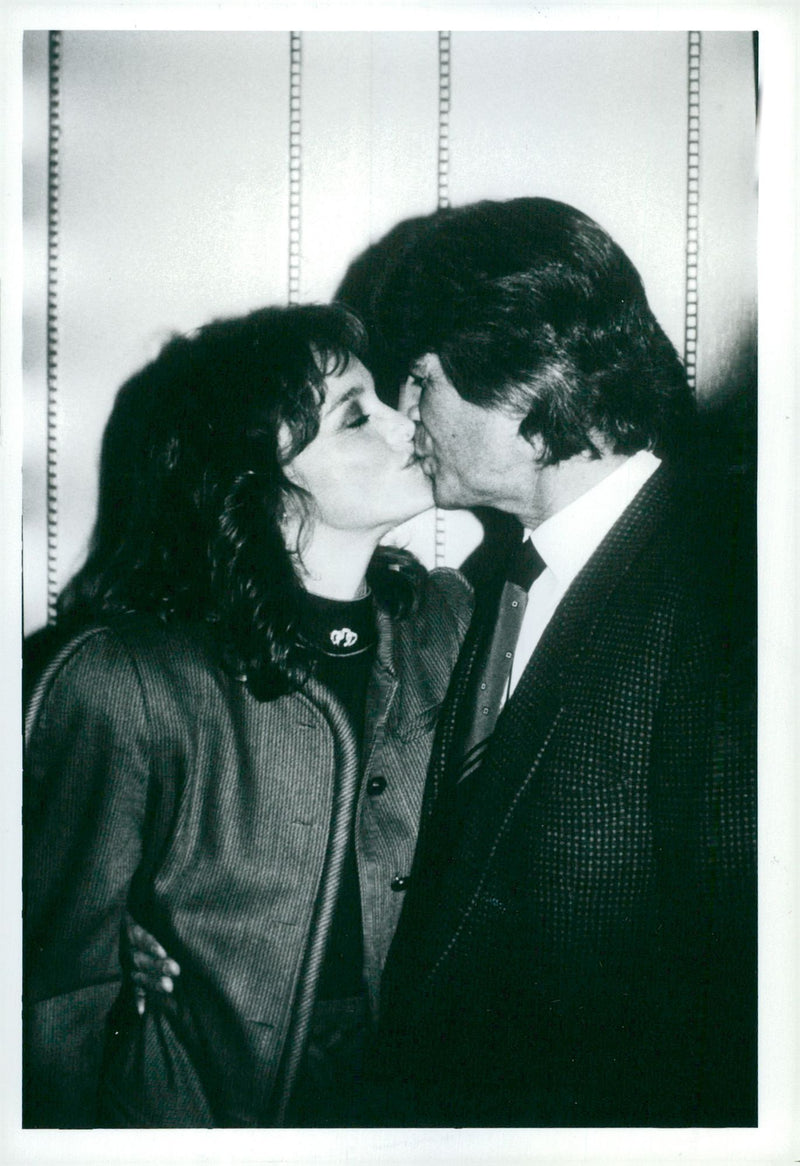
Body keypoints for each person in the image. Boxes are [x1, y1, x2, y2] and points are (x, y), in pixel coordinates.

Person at [22, 303, 472, 1127]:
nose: (402, 421)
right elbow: (53, 994)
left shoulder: (449, 623)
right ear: (262, 477)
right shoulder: (123, 680)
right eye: (353, 415)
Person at [360, 196, 757, 1127]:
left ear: (527, 375)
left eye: (421, 380)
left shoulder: (727, 584)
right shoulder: (512, 576)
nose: (405, 411)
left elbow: (745, 987)